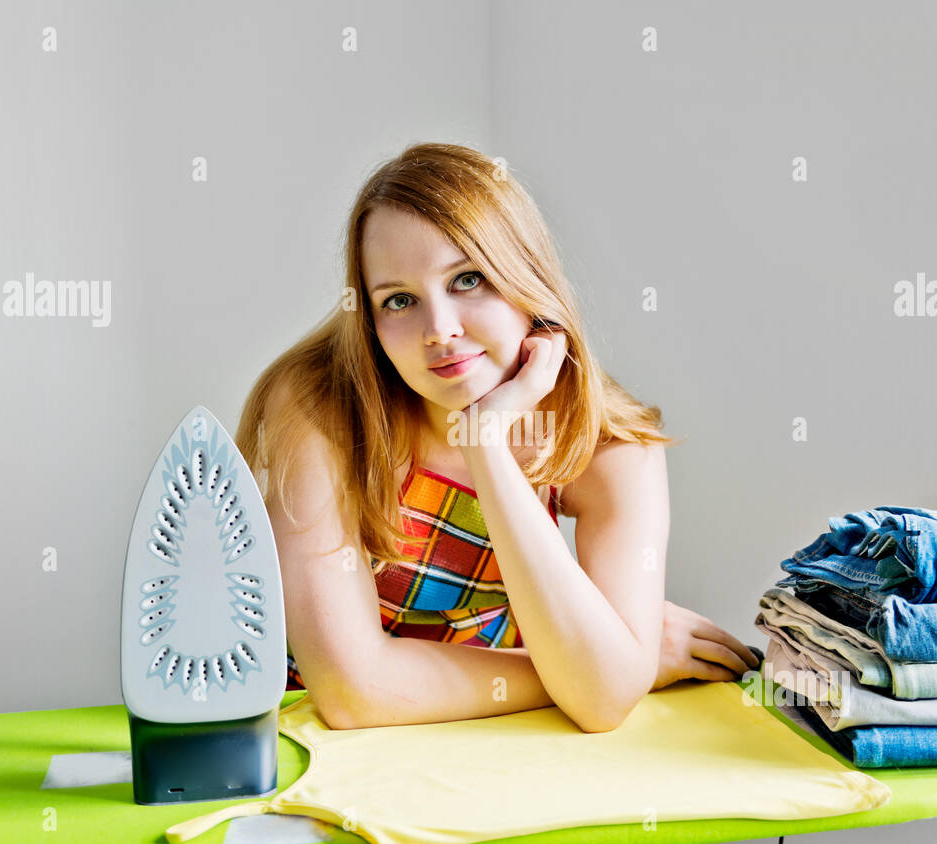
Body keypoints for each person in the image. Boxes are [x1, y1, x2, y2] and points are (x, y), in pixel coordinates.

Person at [235, 142, 758, 732]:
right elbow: (352, 694)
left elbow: (602, 705)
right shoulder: (318, 402)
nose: (440, 330)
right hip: (311, 747)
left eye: (467, 279)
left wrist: (485, 439)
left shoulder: (611, 445)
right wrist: (599, 665)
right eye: (399, 300)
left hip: (501, 747)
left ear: (525, 277)